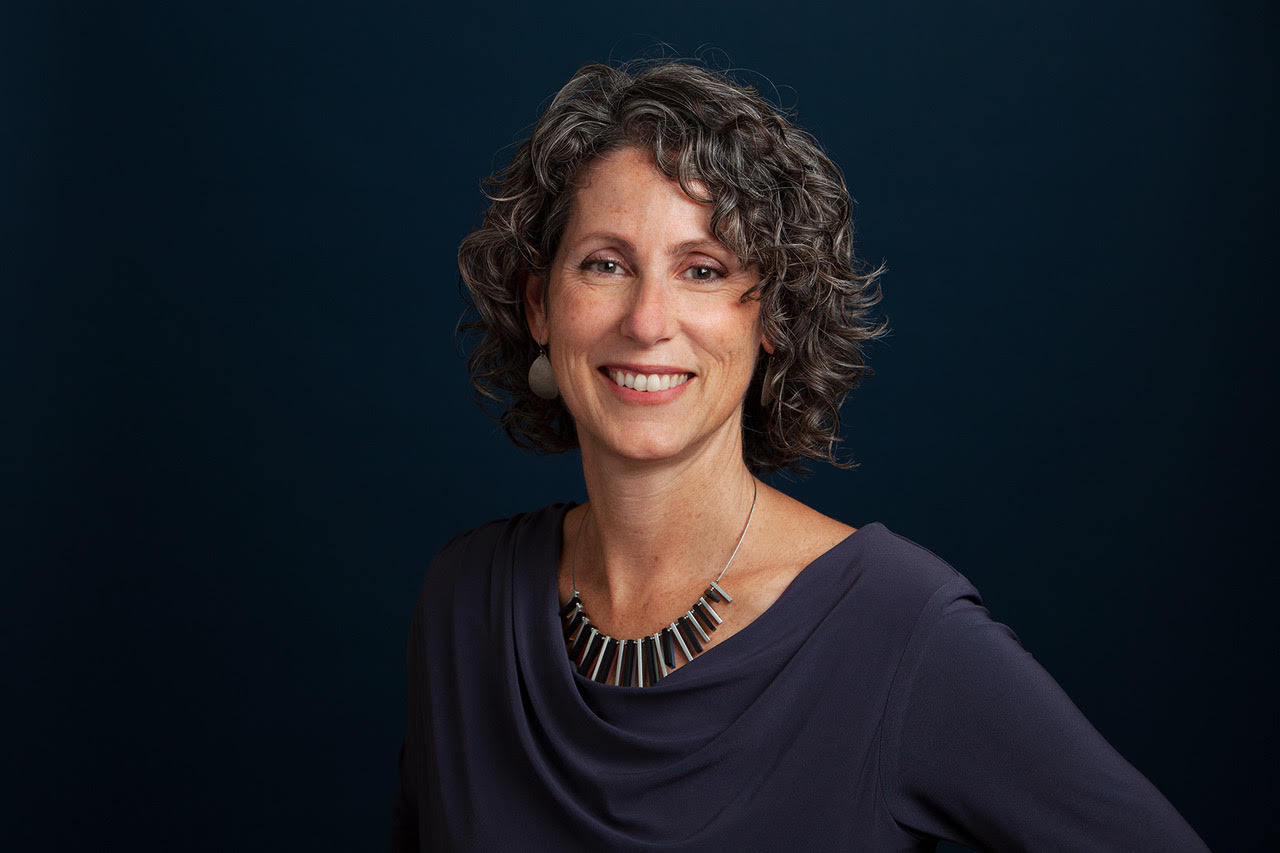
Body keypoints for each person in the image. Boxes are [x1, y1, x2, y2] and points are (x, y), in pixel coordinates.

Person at [391, 60, 1208, 851]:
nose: (647, 320)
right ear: (540, 305)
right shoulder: (464, 601)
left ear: (772, 317)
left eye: (702, 270)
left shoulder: (897, 629)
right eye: (606, 264)